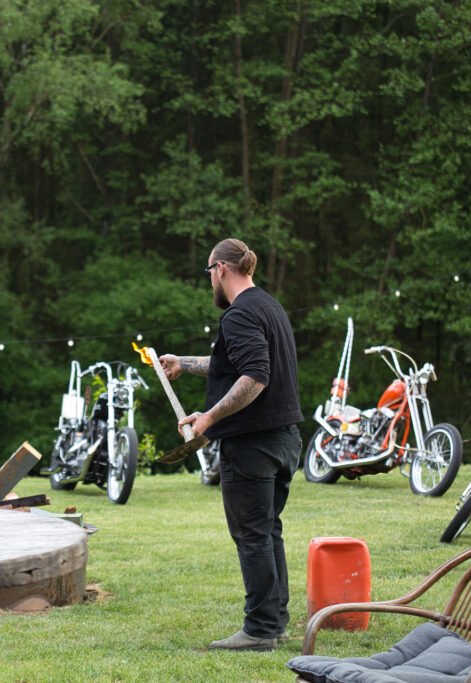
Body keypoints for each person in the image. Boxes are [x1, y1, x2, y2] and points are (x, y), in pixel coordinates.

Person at [160, 238, 303, 652]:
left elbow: (255, 376)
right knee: (267, 531)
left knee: (252, 535)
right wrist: (184, 364)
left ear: (221, 269)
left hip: (252, 445)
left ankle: (259, 630)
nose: (210, 281)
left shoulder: (238, 315)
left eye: (209, 273)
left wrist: (208, 419)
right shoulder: (269, 307)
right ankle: (274, 623)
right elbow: (235, 366)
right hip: (285, 438)